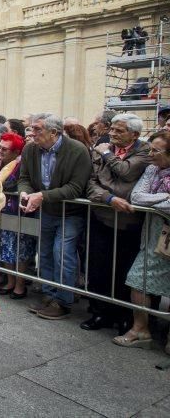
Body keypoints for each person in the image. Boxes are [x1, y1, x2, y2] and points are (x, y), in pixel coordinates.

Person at [18, 113, 92, 320]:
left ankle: (63, 300)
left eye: (37, 129)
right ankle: (50, 295)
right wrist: (24, 192)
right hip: (46, 211)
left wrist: (42, 195)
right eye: (31, 128)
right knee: (45, 254)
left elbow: (76, 188)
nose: (32, 133)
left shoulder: (77, 150)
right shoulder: (30, 149)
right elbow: (24, 178)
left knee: (63, 254)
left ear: (54, 132)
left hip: (70, 213)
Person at [83, 113, 151, 334]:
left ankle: (125, 317)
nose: (112, 134)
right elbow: (91, 183)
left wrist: (105, 154)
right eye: (111, 129)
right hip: (102, 216)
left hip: (129, 223)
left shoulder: (144, 150)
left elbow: (127, 172)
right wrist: (109, 198)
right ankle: (100, 312)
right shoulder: (104, 148)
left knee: (124, 271)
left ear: (135, 134)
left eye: (119, 131)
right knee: (99, 268)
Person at [113, 130, 170, 351]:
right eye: (150, 149)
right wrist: (165, 197)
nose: (151, 154)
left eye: (156, 150)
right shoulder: (152, 169)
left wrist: (156, 201)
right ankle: (141, 329)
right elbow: (136, 197)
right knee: (138, 278)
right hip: (154, 234)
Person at [0, 133, 34, 299]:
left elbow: (13, 183)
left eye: (4, 149)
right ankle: (10, 281)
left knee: (20, 249)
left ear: (16, 152)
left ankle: (20, 285)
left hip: (18, 212)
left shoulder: (21, 164)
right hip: (3, 211)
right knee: (5, 246)